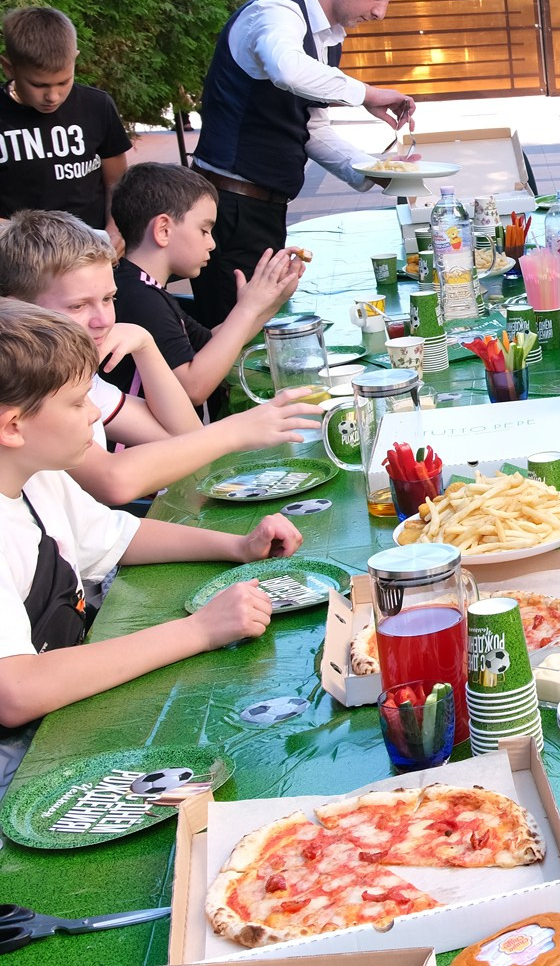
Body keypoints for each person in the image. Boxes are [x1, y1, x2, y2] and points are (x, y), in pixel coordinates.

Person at [0, 299, 299, 795]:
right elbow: (16, 690)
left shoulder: (36, 475)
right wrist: (200, 629)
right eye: (77, 402)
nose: (94, 413)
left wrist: (237, 546)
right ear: (13, 426)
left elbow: (119, 537)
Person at [0, 211, 322, 507]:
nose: (103, 320)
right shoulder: (23, 378)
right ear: (15, 305)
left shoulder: (76, 372)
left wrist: (145, 345)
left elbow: (186, 436)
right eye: (78, 306)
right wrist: (233, 432)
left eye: (109, 299)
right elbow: (113, 481)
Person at [191, 0, 417, 328]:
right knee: (233, 335)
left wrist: (377, 171)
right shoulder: (273, 13)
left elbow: (311, 127)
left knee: (259, 328)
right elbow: (287, 70)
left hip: (263, 208)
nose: (380, 12)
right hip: (229, 207)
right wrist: (365, 93)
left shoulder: (327, 38)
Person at [104, 162, 304, 404]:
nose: (212, 244)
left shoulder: (144, 286)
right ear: (163, 230)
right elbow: (192, 388)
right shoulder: (141, 299)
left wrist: (271, 302)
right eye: (204, 230)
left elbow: (211, 343)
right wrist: (246, 309)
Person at [0, 6, 130, 231]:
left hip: (93, 245)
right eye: (38, 85)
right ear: (8, 68)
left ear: (74, 60)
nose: (53, 96)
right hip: (16, 248)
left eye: (63, 82)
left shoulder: (97, 105)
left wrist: (116, 230)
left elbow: (117, 182)